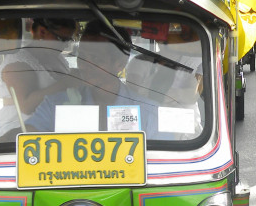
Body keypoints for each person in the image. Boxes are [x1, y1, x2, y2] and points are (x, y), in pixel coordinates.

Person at [24, 20, 162, 137]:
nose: (85, 65)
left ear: (120, 64)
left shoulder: (148, 113)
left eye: (96, 58)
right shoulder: (57, 104)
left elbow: (163, 159)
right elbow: (28, 136)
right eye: (82, 56)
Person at [0, 17, 77, 138]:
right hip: (19, 133)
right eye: (61, 39)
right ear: (42, 32)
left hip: (50, 128)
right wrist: (66, 83)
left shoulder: (58, 58)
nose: (64, 46)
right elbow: (26, 106)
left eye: (68, 40)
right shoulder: (18, 62)